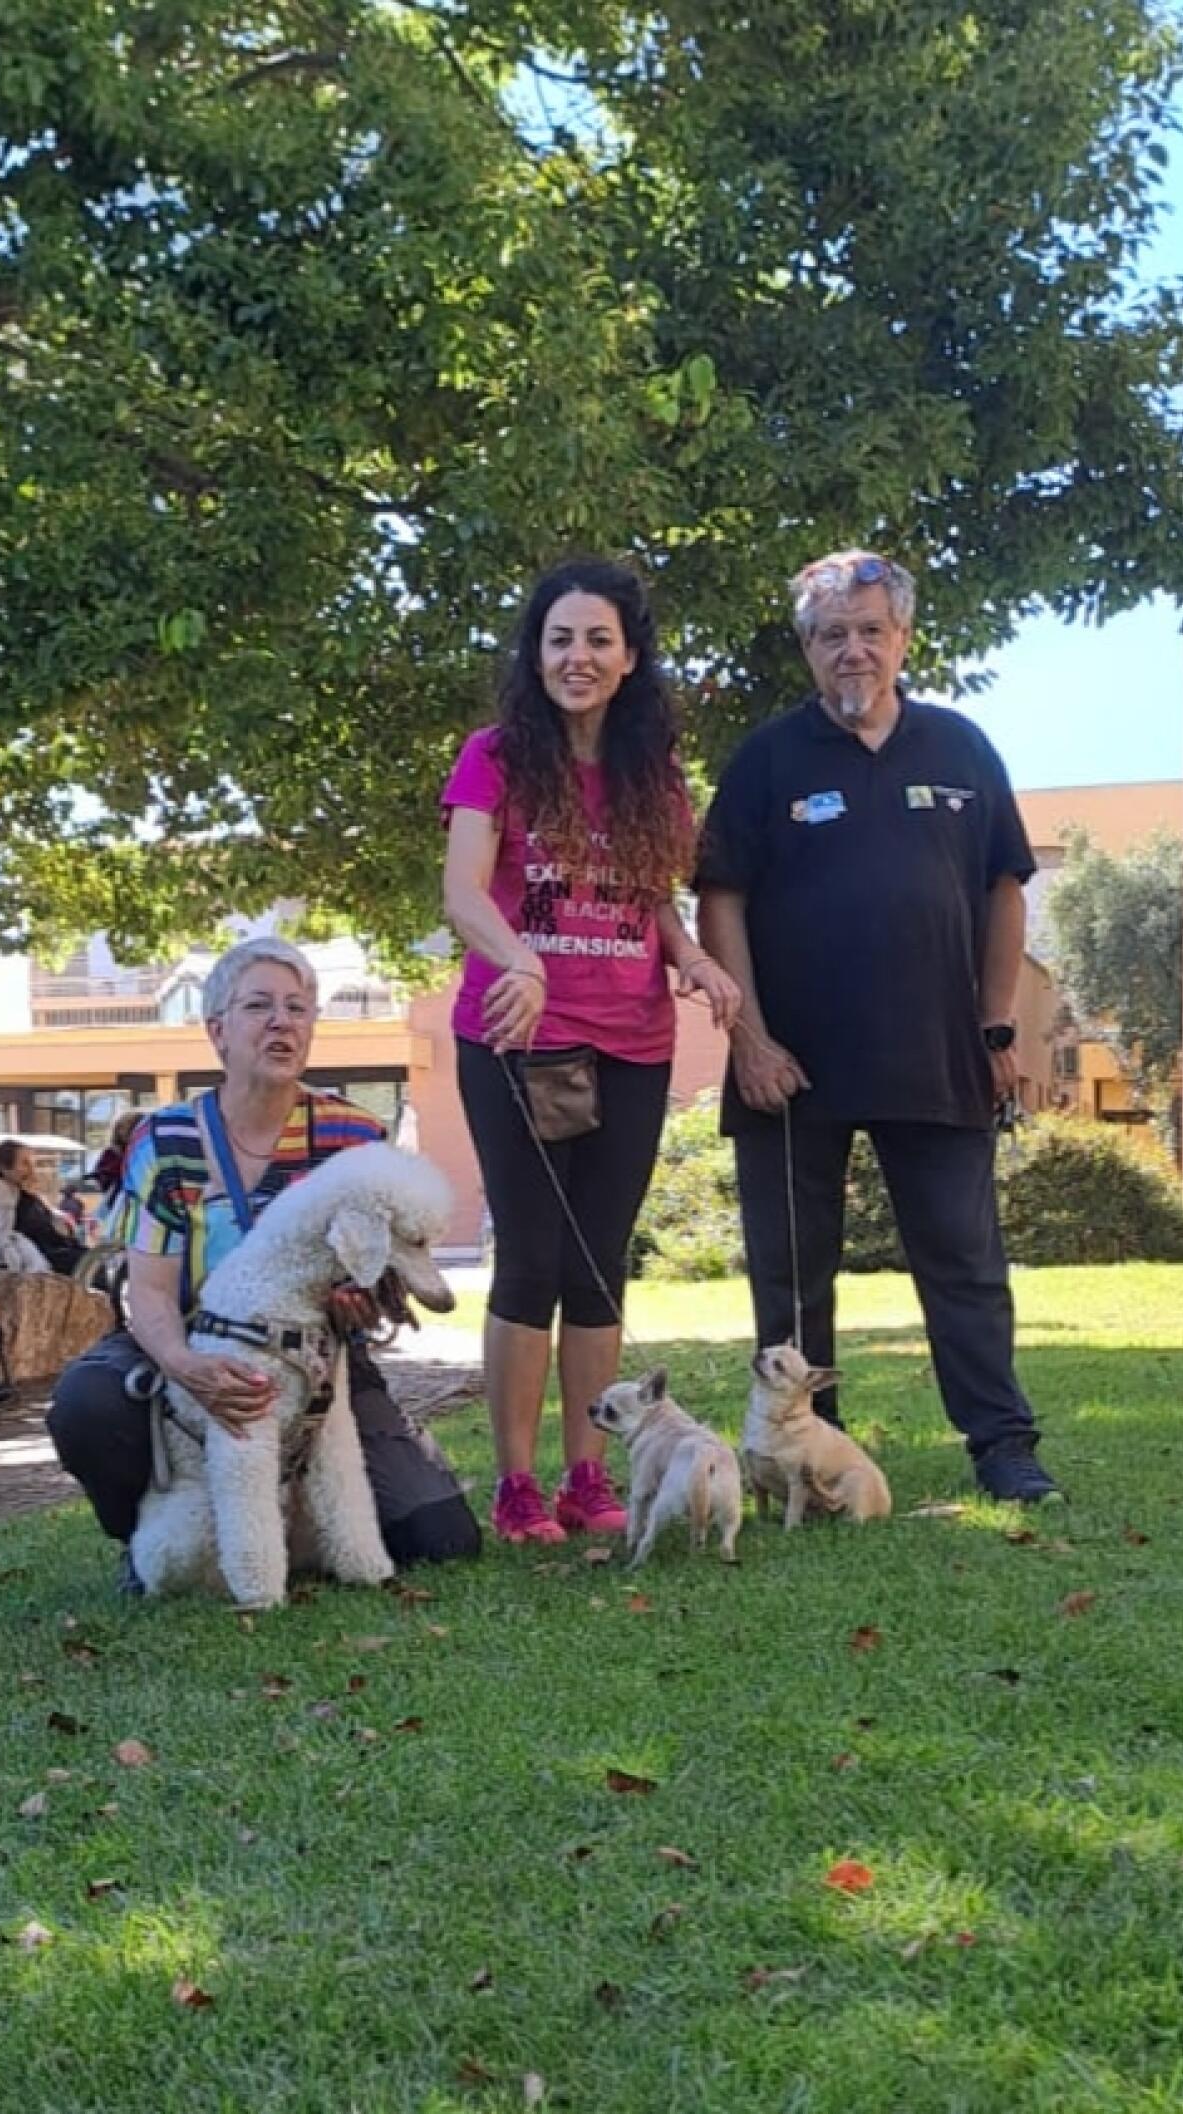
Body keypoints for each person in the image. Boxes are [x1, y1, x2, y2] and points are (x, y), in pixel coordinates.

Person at [696, 548, 1060, 1505]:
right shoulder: (766, 759)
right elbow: (720, 898)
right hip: (790, 1067)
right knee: (790, 1279)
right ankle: (808, 1455)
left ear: (902, 638)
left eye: (869, 631)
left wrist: (996, 1028)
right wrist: (750, 1042)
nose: (852, 650)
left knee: (966, 1265)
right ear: (807, 649)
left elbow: (1004, 888)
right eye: (832, 635)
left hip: (938, 1054)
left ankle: (1003, 1445)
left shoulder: (962, 748)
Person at [442, 557, 740, 1545]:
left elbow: (654, 902)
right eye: (560, 637)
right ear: (536, 653)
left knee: (600, 1265)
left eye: (598, 639)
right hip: (518, 1039)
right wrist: (519, 960)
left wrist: (696, 960)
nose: (578, 656)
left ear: (630, 657)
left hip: (635, 1041)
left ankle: (587, 1474)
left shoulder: (655, 776)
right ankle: (516, 1485)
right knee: (531, 1260)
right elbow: (463, 891)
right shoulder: (495, 756)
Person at [47, 937, 481, 1580]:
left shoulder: (355, 1135)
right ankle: (146, 1537)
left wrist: (363, 1307)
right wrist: (187, 1365)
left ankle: (297, 1529)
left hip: (320, 1357)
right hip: (185, 1337)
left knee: (440, 1538)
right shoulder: (165, 1140)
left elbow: (387, 1282)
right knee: (87, 1403)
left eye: (297, 1008)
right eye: (258, 1006)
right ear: (217, 1030)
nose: (282, 1022)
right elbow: (151, 1292)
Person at [0, 1140, 83, 1275]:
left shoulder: (23, 1195)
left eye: (32, 1163)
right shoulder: (3, 1199)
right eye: (25, 1163)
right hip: (44, 1254)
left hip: (55, 1248)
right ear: (4, 1168)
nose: (31, 1169)